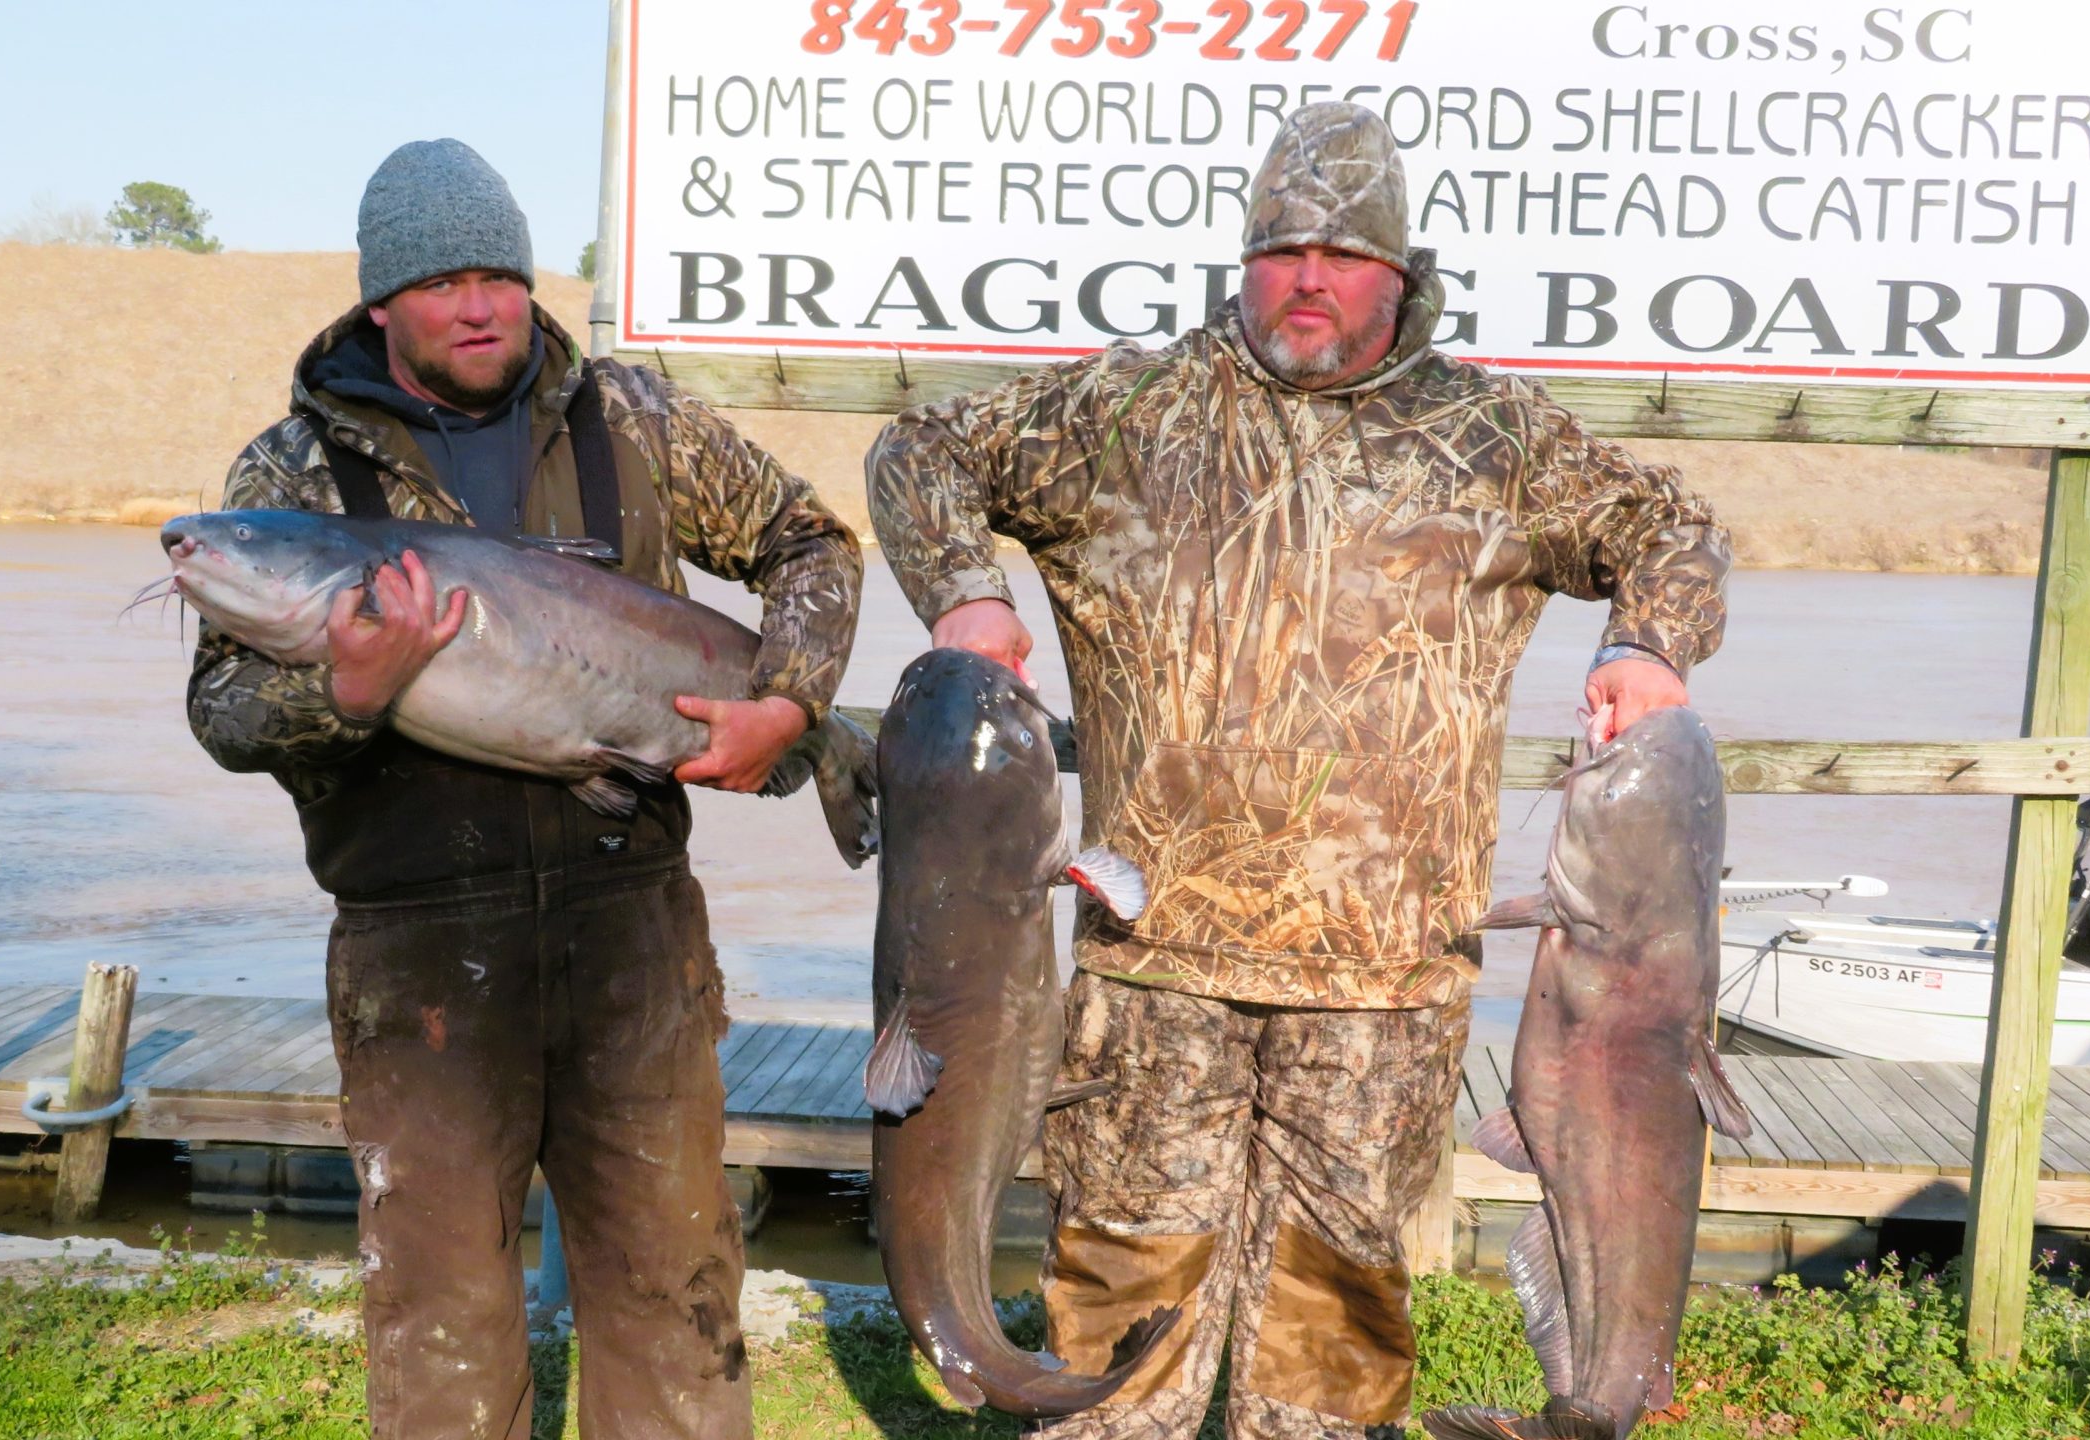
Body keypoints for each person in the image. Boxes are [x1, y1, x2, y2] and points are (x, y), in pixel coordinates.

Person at [864, 103, 1730, 1438]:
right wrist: (969, 600)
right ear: (1245, 257)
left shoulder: (1493, 440)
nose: (1309, 277)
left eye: (1343, 252)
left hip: (1387, 984)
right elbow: (919, 452)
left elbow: (1673, 529)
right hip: (1152, 968)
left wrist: (1651, 649)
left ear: (1402, 271)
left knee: (1334, 1332)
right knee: (1117, 1311)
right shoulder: (1126, 410)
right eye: (1281, 249)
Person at [184, 138, 861, 1439]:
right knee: (443, 1321)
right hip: (419, 963)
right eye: (444, 281)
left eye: (502, 271)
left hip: (634, 940)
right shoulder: (296, 475)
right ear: (383, 299)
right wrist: (348, 693)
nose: (484, 304)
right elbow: (220, 713)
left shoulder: (634, 420)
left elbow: (809, 543)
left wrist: (792, 701)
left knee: (674, 1302)